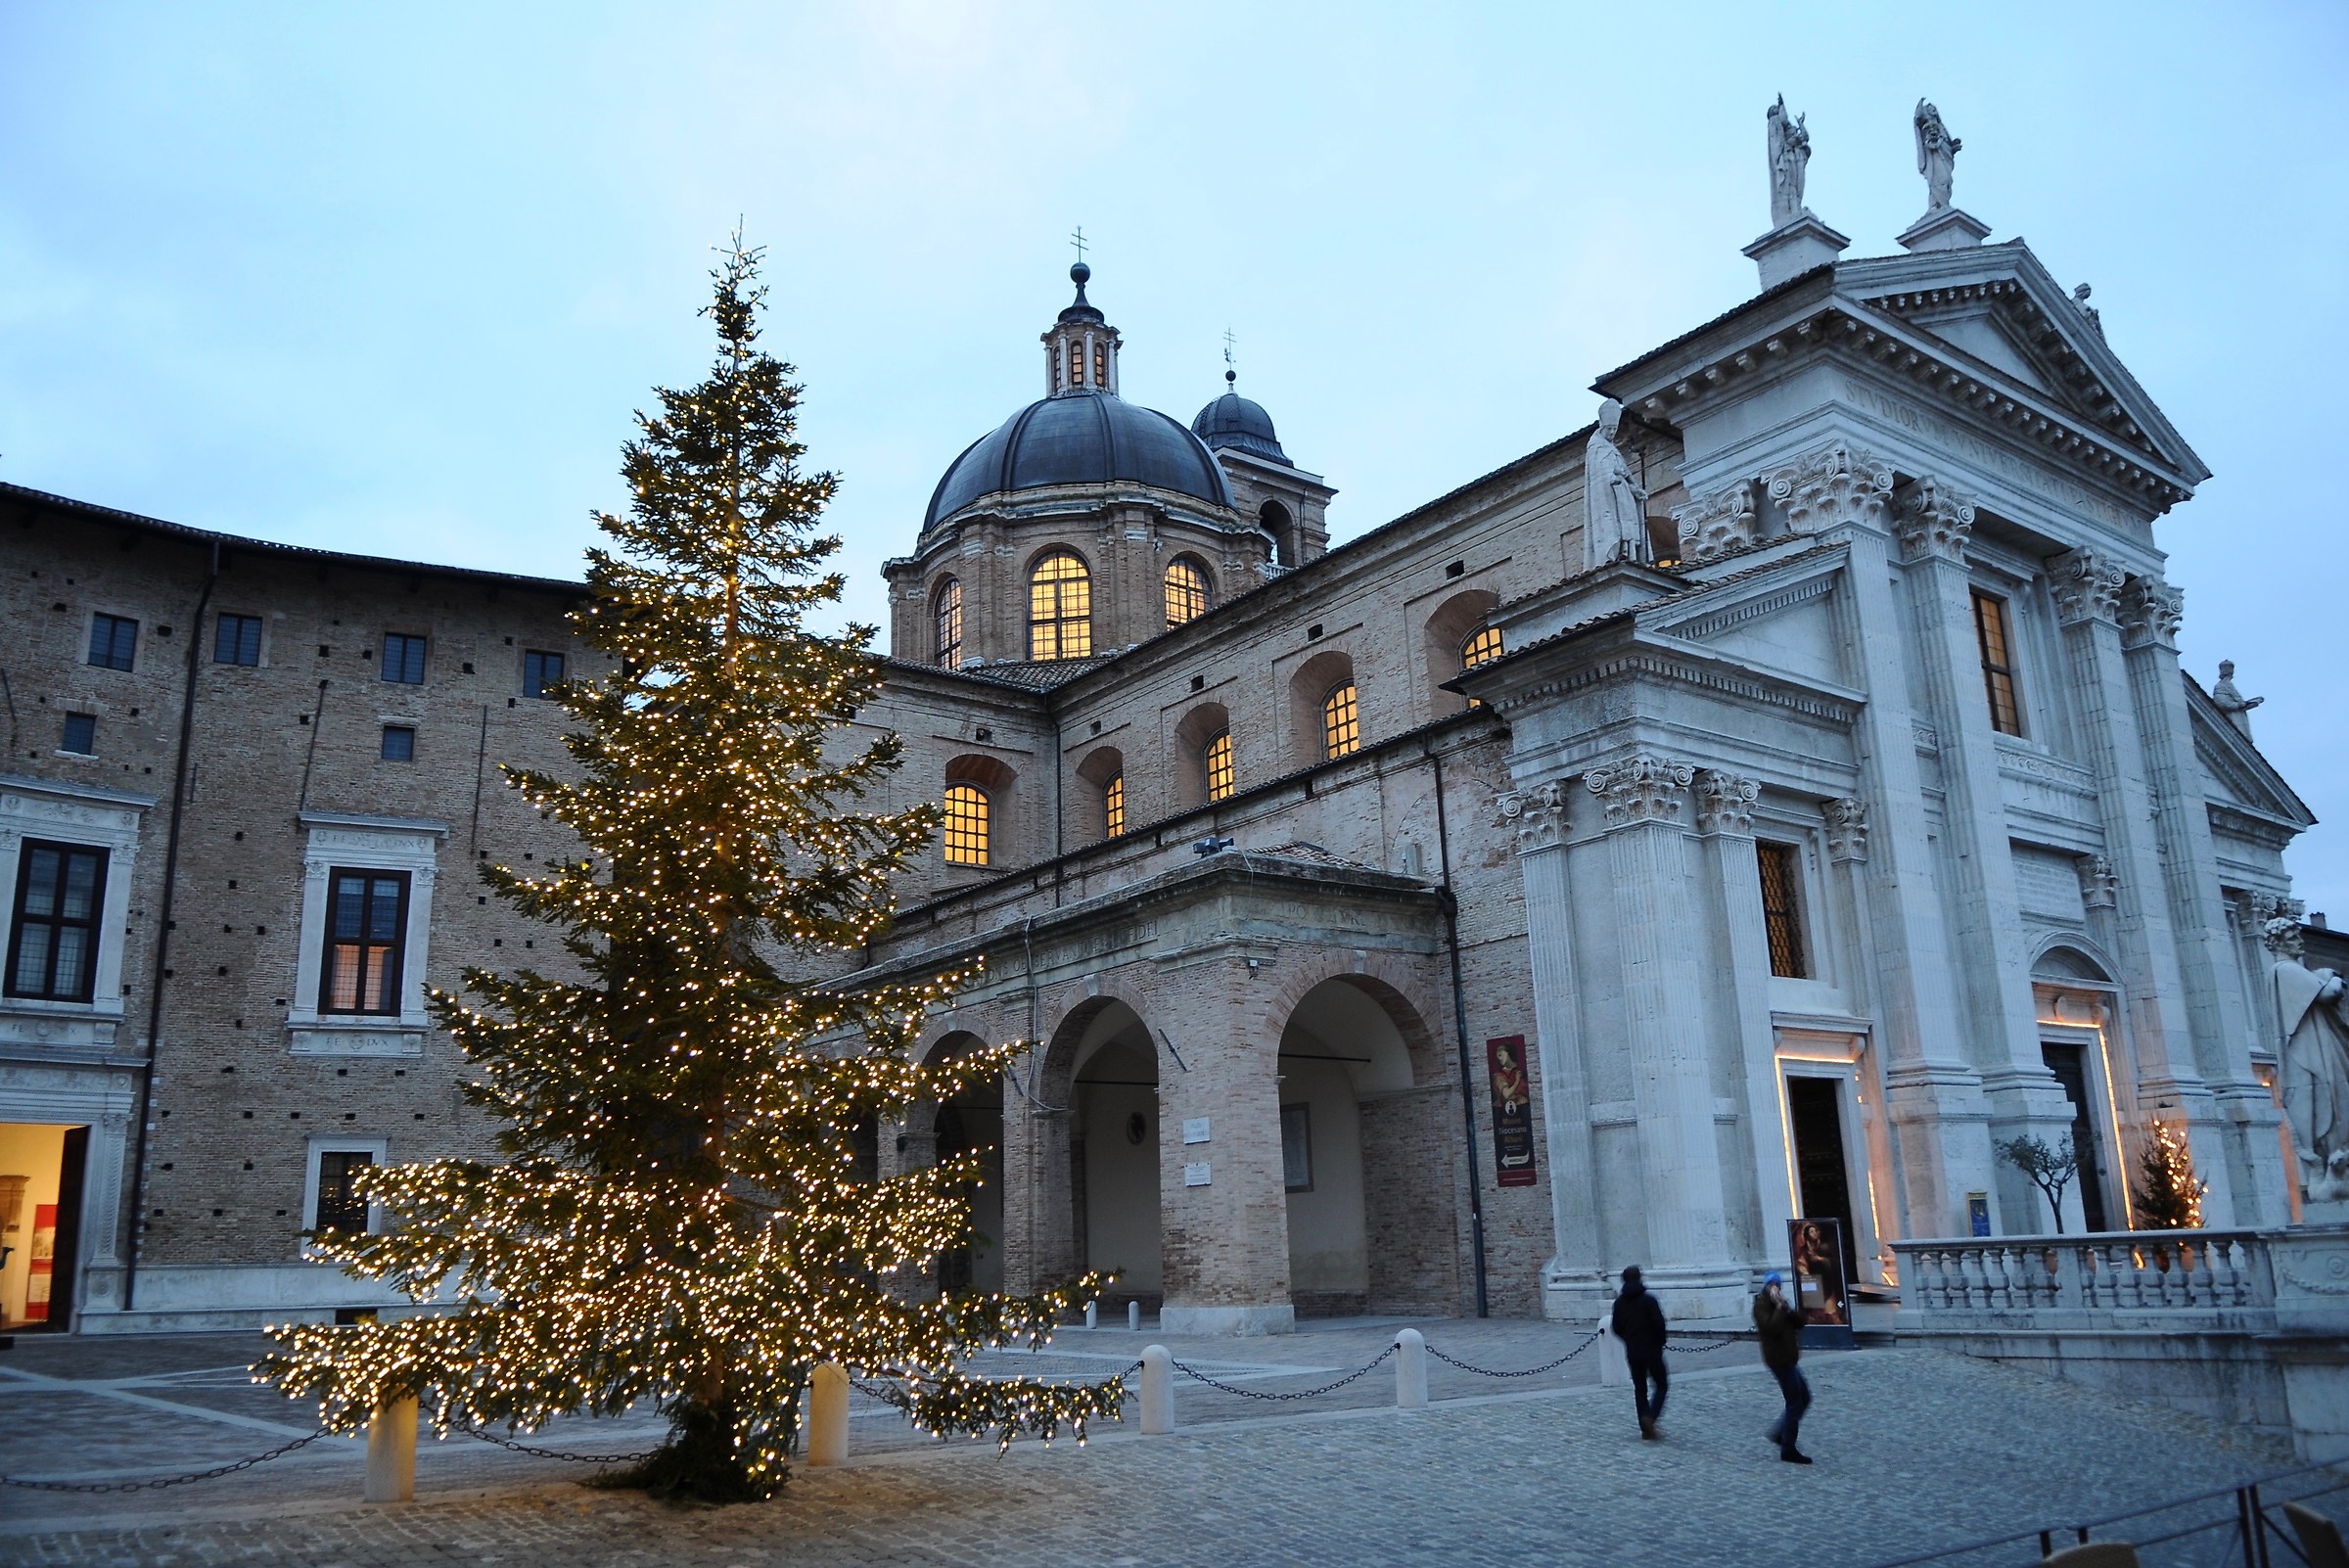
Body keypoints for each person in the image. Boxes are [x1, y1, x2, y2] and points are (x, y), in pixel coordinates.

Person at [1753, 1271, 1813, 1464]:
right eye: (1771, 1285)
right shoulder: (1760, 1306)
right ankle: (1788, 1448)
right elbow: (1771, 1328)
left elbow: (1800, 1323)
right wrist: (1779, 1307)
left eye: (1777, 1284)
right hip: (1779, 1360)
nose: (1775, 1288)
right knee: (1795, 1402)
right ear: (1766, 1287)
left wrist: (1786, 1307)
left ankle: (1780, 1433)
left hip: (1789, 1359)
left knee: (1805, 1397)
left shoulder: (1782, 1305)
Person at [1609, 1265, 1669, 1440]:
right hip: (1652, 1349)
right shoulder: (1648, 1300)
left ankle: (1644, 1427)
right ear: (1640, 1278)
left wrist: (1629, 1339)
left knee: (1640, 1388)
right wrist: (1660, 1341)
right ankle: (1650, 1417)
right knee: (1662, 1384)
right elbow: (1659, 1324)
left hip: (1633, 1350)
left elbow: (1616, 1327)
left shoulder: (1619, 1303)